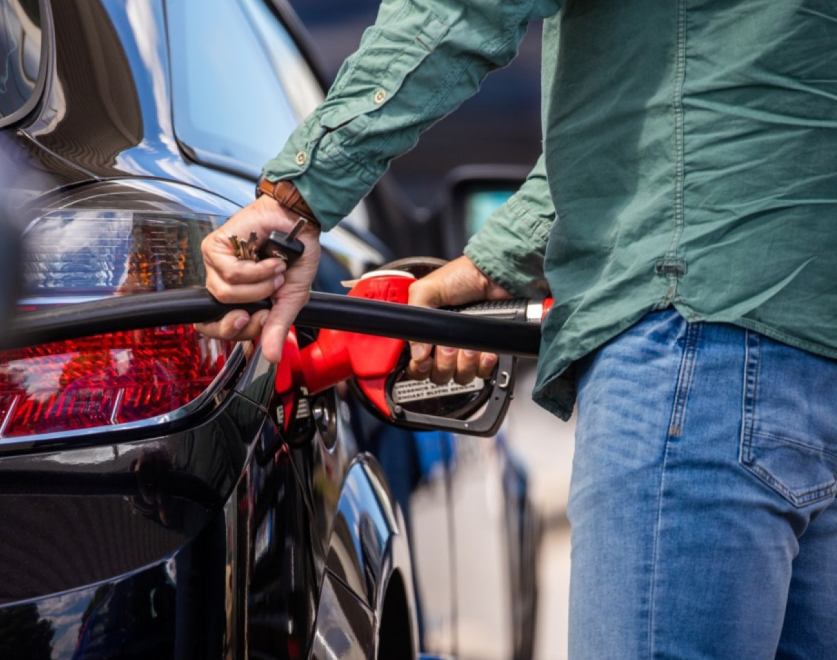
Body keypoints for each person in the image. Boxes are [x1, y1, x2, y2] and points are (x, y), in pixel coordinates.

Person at [198, 0, 837, 657]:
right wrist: (493, 266)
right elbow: (698, 94)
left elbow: (460, 10)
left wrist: (297, 197)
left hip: (698, 338)